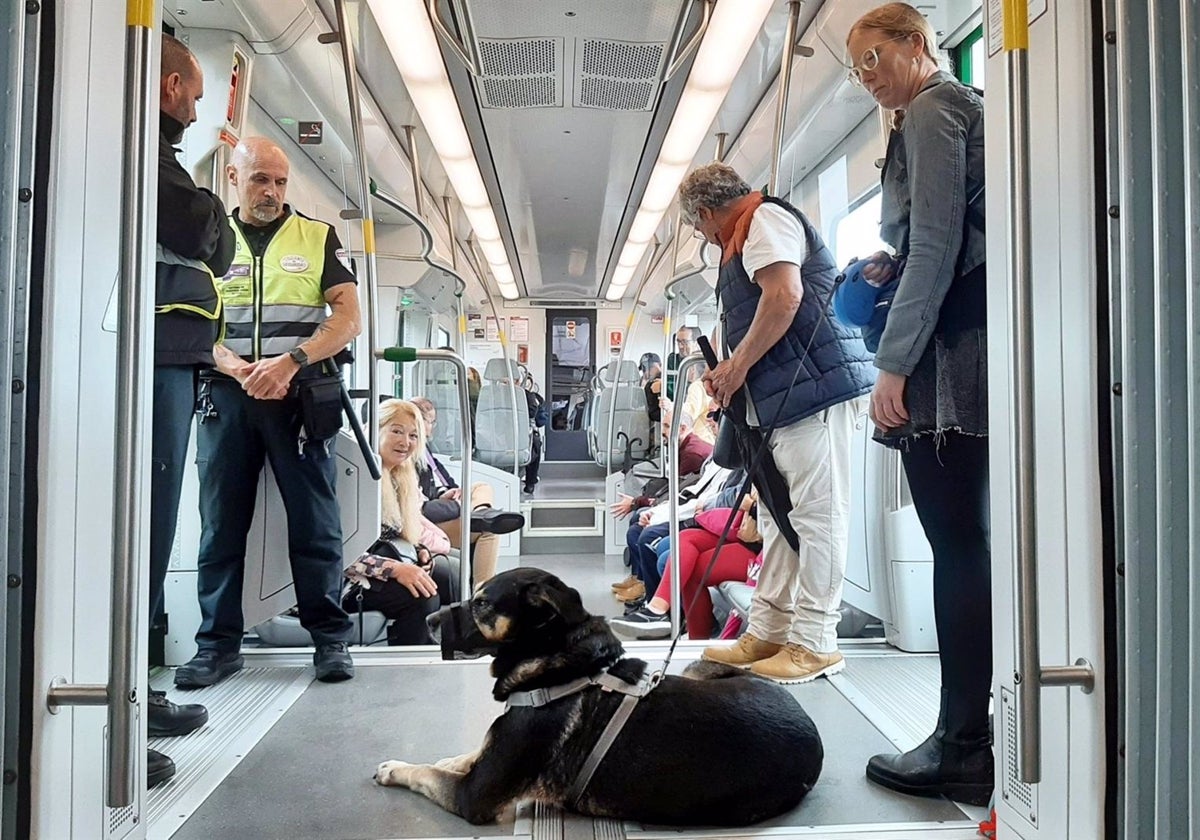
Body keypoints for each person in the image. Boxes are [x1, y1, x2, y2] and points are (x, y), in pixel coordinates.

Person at [846, 3, 991, 806]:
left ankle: (963, 742)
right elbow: (934, 238)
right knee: (964, 540)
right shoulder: (936, 113)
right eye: (856, 68)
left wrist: (892, 367)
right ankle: (970, 729)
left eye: (875, 58)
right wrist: (887, 263)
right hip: (960, 335)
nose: (868, 77)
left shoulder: (935, 109)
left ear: (914, 45)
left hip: (949, 354)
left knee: (956, 543)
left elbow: (938, 244)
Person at [175, 137, 362, 689]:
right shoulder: (207, 239)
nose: (272, 192)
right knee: (221, 525)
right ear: (234, 178)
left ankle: (329, 639)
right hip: (227, 395)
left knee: (315, 522)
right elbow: (194, 322)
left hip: (298, 395)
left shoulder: (316, 236)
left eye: (280, 182)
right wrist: (238, 368)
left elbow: (348, 318)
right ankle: (217, 645)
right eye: (260, 180)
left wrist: (290, 361)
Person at [678, 161, 874, 684]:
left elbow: (785, 296)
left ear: (704, 214)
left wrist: (737, 365)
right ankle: (768, 629)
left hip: (814, 393)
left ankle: (816, 641)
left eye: (700, 229)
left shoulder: (764, 221)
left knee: (816, 517)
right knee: (778, 520)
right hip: (783, 399)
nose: (705, 237)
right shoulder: (747, 235)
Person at [145, 33, 230, 789]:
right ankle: (122, 707)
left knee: (153, 530)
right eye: (194, 93)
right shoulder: (137, 148)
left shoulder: (157, 157)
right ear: (169, 84)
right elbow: (204, 231)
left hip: (169, 362)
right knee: (139, 536)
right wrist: (216, 210)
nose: (197, 106)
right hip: (149, 363)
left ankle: (136, 693)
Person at [341, 399, 453, 645]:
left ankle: (437, 649)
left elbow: (394, 535)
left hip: (377, 566)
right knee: (423, 595)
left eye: (413, 435)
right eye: (396, 431)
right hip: (345, 582)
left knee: (450, 575)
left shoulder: (398, 477)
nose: (405, 442)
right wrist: (396, 569)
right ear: (376, 430)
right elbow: (336, 554)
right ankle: (406, 662)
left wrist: (419, 553)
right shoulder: (352, 478)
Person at [409, 396, 524, 584]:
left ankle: (480, 512)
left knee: (481, 487)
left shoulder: (425, 449)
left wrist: (449, 492)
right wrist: (457, 504)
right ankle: (482, 590)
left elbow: (442, 481)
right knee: (489, 532)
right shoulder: (410, 456)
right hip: (428, 525)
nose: (433, 427)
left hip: (442, 501)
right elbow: (422, 508)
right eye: (431, 421)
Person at [612, 495, 762, 640]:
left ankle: (697, 636)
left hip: (764, 548)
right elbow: (731, 495)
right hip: (746, 533)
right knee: (685, 537)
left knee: (691, 569)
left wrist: (751, 507)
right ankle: (657, 608)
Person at [522, 380, 547, 494]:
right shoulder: (531, 397)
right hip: (522, 435)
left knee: (534, 443)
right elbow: (539, 420)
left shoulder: (489, 396)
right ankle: (530, 481)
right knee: (535, 443)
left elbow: (540, 420)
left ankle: (530, 480)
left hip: (495, 439)